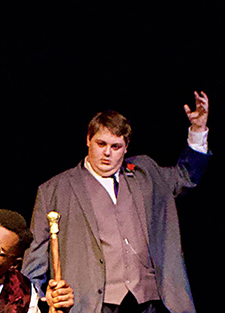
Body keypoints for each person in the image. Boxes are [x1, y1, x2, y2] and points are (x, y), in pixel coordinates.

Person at [22, 92, 211, 313]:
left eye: (115, 146)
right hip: (91, 304)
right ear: (88, 140)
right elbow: (35, 259)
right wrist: (39, 301)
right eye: (101, 144)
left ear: (126, 147)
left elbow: (185, 177)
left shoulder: (145, 173)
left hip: (150, 301)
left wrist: (198, 130)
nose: (107, 153)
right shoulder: (55, 190)